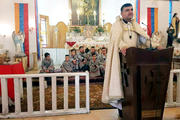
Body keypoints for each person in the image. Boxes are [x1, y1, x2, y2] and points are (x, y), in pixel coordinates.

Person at [101, 3, 158, 117]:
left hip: (135, 61)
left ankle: (133, 108)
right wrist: (123, 46)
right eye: (127, 10)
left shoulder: (135, 25)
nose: (130, 12)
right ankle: (122, 110)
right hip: (122, 60)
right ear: (122, 13)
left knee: (134, 87)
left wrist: (155, 45)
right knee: (123, 85)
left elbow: (144, 40)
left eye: (131, 9)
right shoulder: (116, 25)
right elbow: (116, 41)